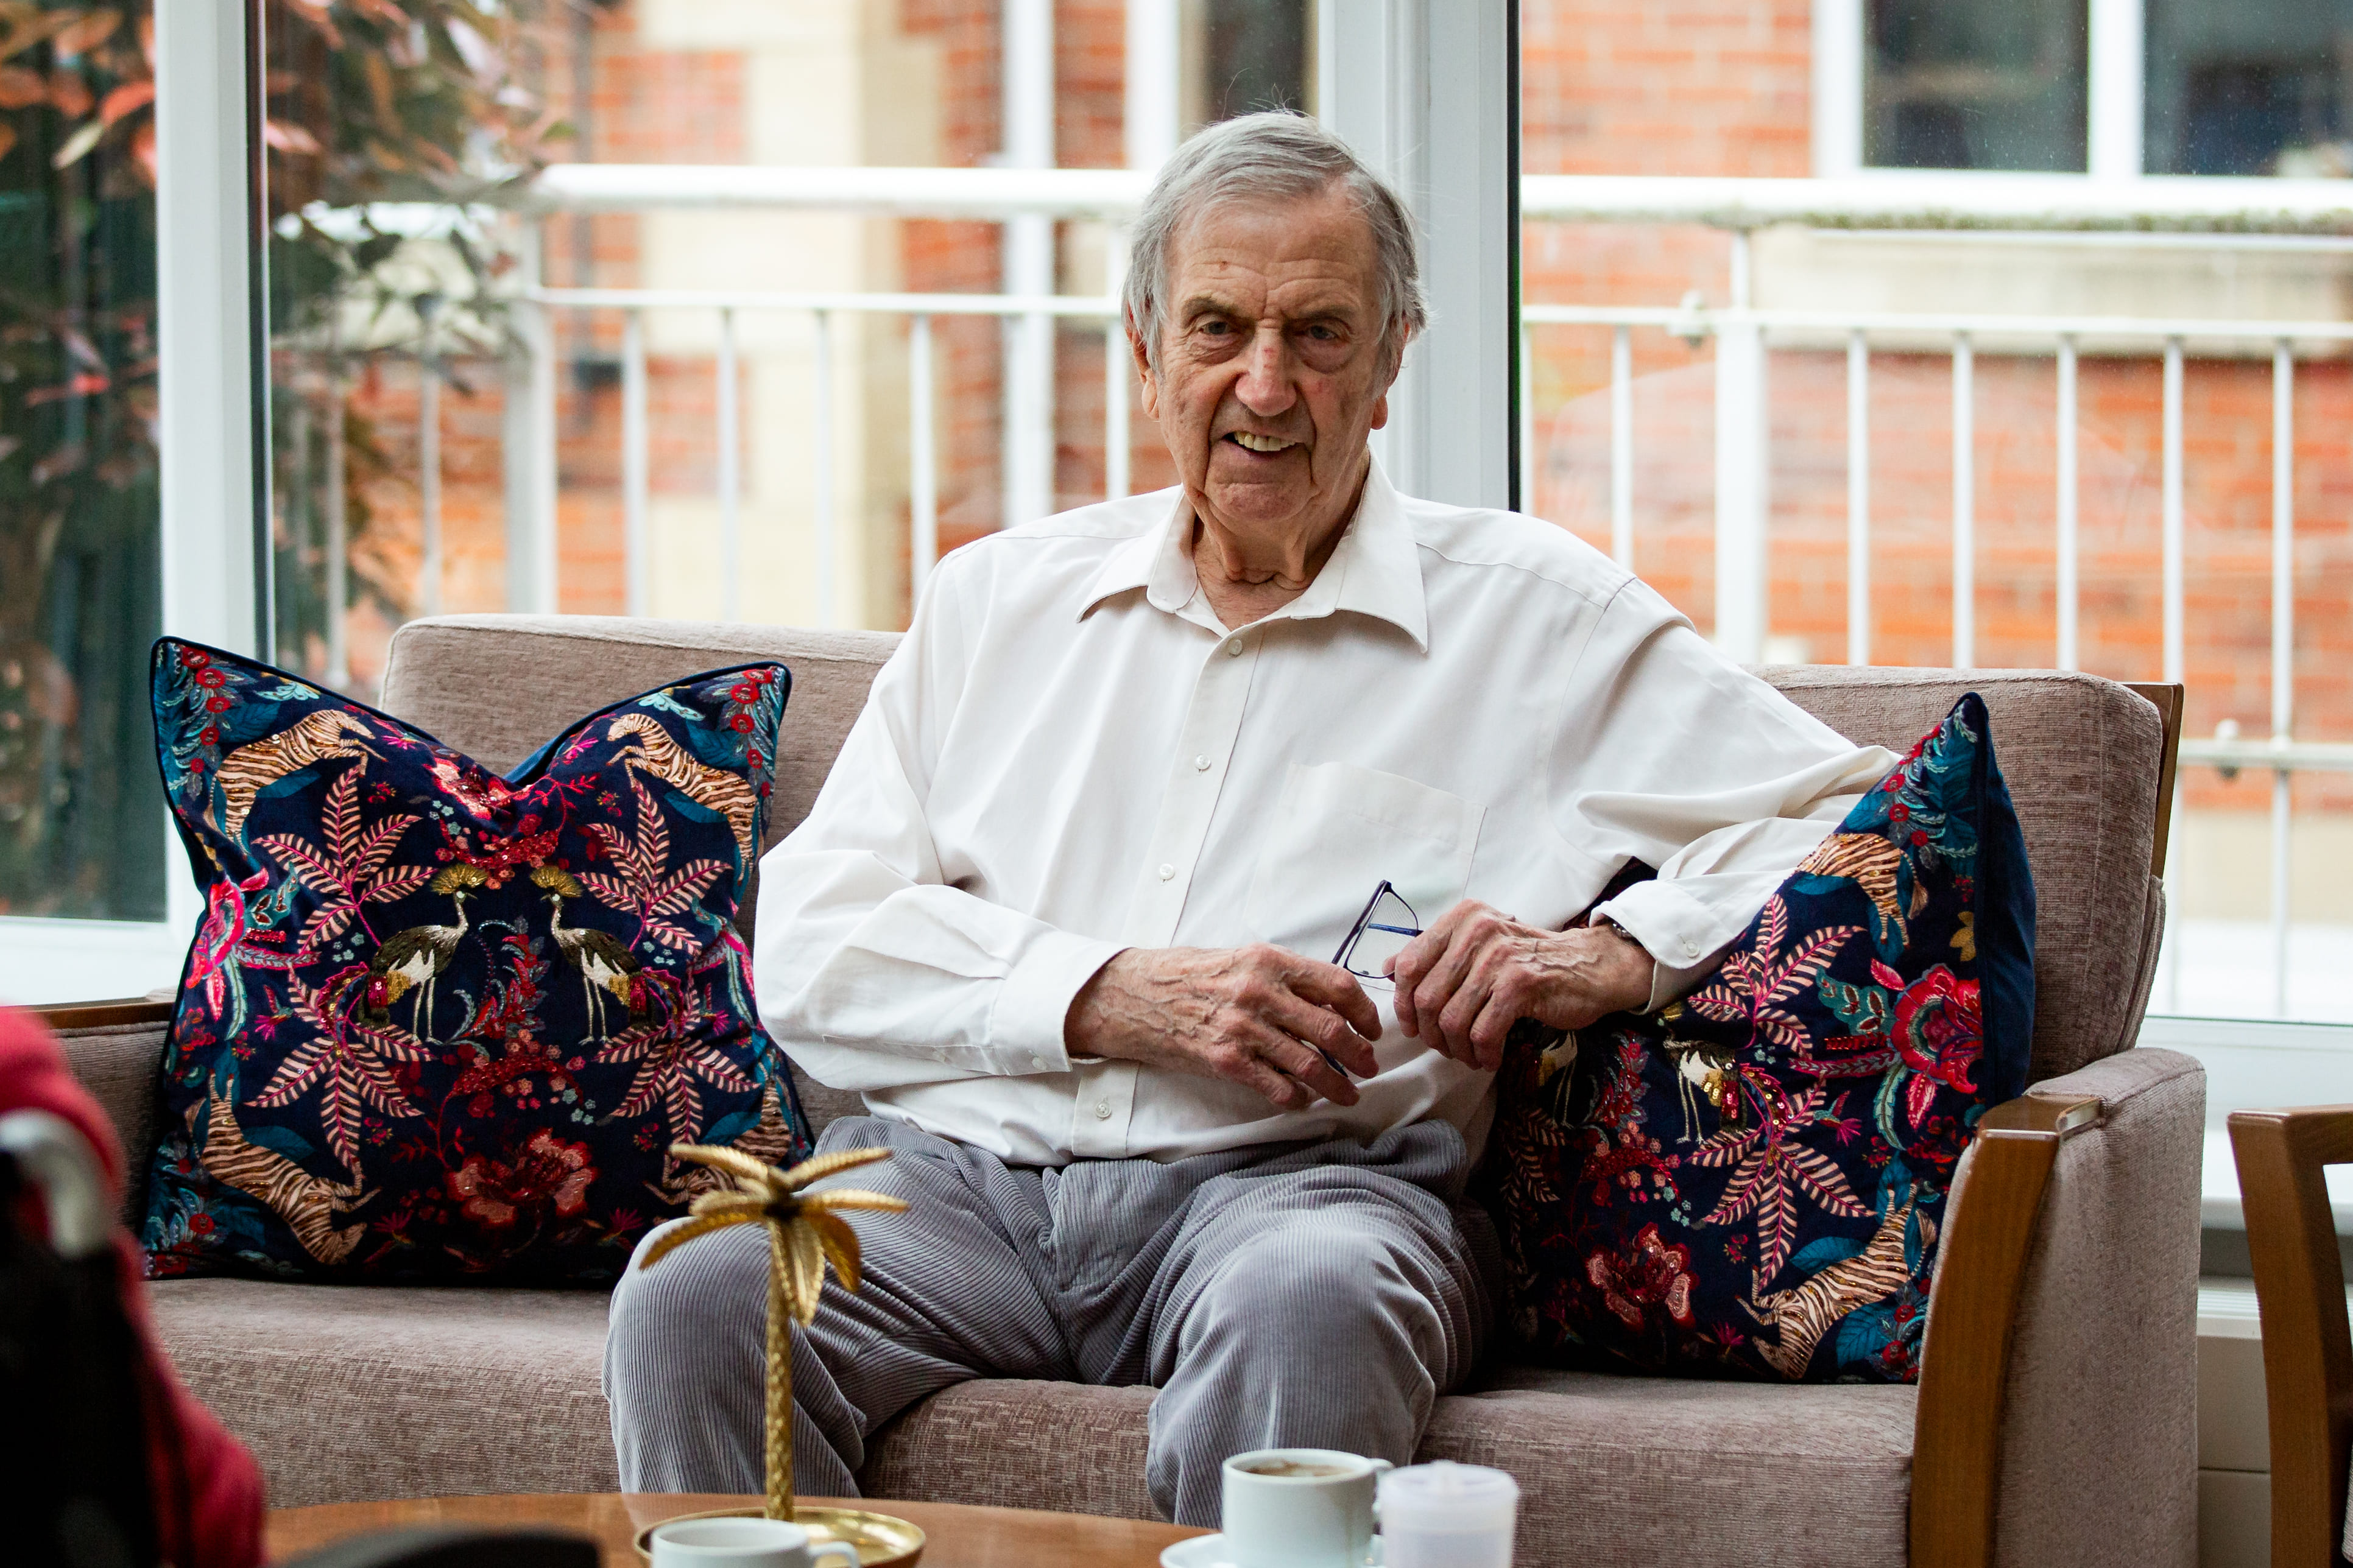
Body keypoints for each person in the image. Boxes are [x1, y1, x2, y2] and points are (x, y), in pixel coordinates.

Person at [605, 110, 1898, 1526]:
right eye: (1218, 326)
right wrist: (1106, 995)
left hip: (1308, 1197)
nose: (1265, 386)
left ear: (1395, 357)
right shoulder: (1000, 601)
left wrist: (1610, 955)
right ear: (1148, 345)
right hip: (955, 1191)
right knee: (703, 1284)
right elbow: (813, 939)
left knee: (1311, 1304)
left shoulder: (1541, 618)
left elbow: (1846, 802)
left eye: (1320, 333)